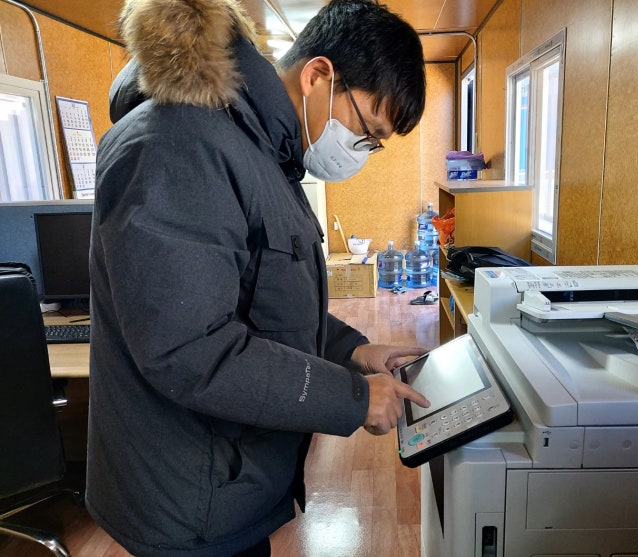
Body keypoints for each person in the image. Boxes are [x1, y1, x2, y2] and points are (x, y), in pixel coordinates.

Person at [86, 0, 429, 556]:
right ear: (318, 76)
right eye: (367, 131)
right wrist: (351, 398)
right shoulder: (181, 144)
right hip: (190, 499)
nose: (362, 151)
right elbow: (190, 350)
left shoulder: (262, 150)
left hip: (228, 480)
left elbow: (264, 297)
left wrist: (352, 350)